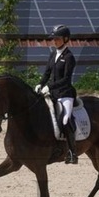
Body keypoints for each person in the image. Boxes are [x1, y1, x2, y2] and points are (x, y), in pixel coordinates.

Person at [35, 24, 78, 164]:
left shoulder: (69, 57)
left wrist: (49, 86)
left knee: (64, 120)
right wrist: (40, 84)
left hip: (65, 94)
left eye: (57, 39)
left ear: (65, 39)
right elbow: (47, 73)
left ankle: (72, 152)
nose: (55, 41)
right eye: (53, 39)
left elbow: (66, 79)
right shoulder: (53, 54)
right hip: (52, 94)